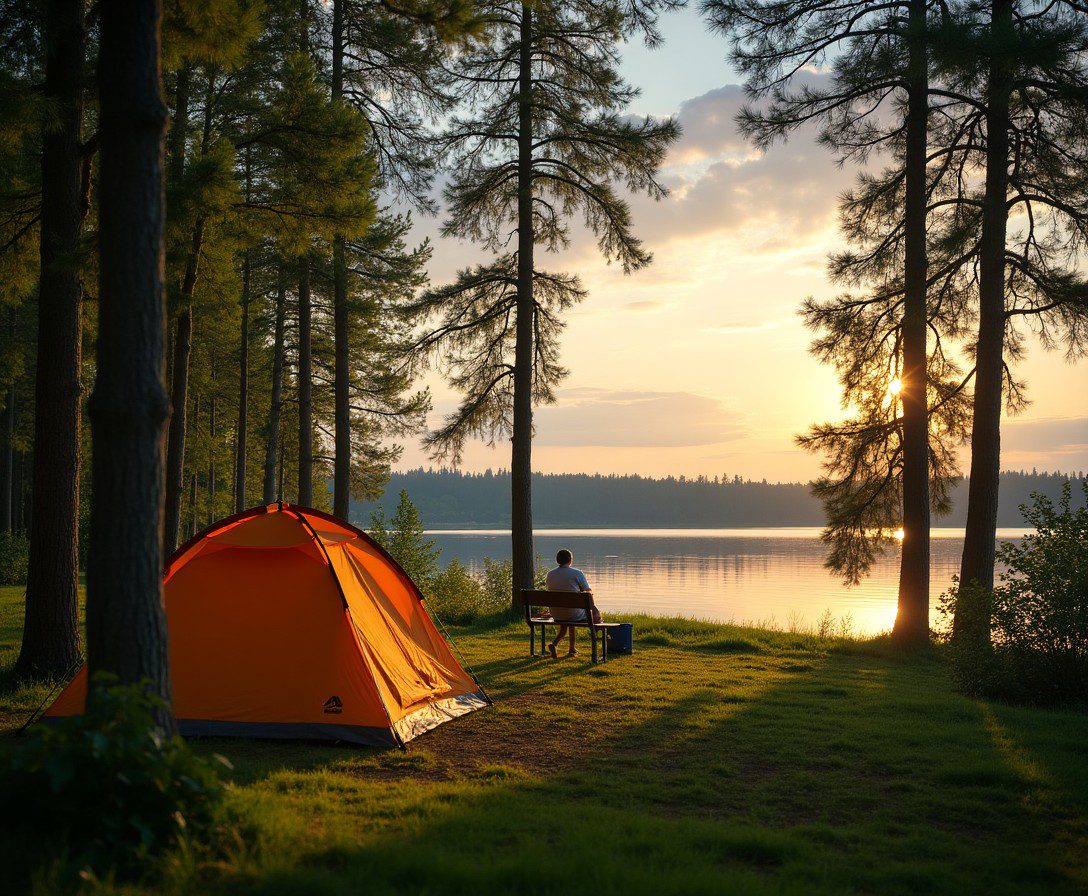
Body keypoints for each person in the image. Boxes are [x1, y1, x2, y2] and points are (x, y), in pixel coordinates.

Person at [545, 549, 602, 658]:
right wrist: (594, 609)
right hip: (573, 613)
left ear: (557, 560)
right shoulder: (577, 573)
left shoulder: (550, 574)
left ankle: (561, 646)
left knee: (568, 620)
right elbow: (587, 591)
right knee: (590, 616)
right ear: (570, 560)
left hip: (556, 613)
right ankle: (577, 648)